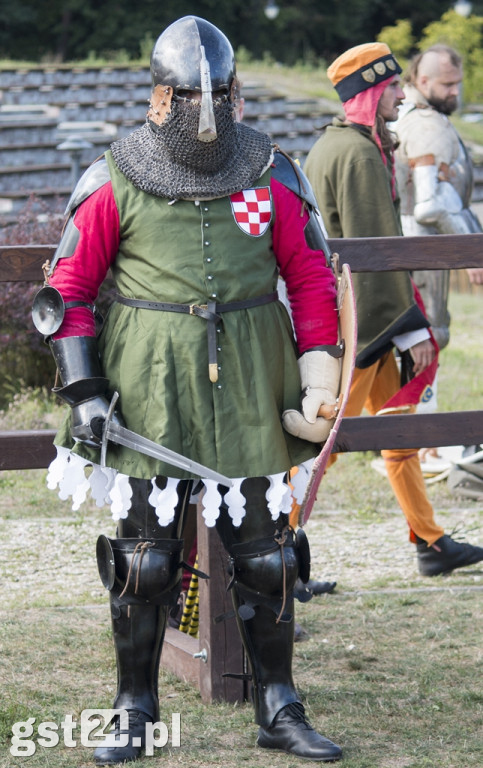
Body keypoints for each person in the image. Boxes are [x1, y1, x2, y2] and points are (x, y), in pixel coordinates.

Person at [32, 16, 343, 765]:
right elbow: (66, 292)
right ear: (159, 99)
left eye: (219, 95)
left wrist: (318, 375)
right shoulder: (114, 176)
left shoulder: (274, 172)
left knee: (269, 556)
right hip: (149, 385)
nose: (204, 113)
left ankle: (278, 705)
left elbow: (308, 276)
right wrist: (85, 389)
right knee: (145, 560)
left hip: (251, 381)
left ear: (232, 95)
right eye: (187, 96)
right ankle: (133, 708)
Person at [304, 42, 483, 578]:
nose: (402, 95)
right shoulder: (358, 153)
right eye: (392, 88)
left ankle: (429, 541)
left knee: (401, 432)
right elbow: (373, 249)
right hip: (364, 324)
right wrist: (407, 328)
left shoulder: (341, 144)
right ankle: (279, 548)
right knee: (327, 442)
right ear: (370, 94)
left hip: (359, 316)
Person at [394, 44, 483, 353]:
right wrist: (471, 246)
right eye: (447, 84)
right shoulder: (425, 124)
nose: (455, 92)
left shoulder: (420, 115)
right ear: (422, 81)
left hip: (416, 244)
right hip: (421, 246)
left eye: (457, 83)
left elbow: (451, 198)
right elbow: (430, 204)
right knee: (428, 336)